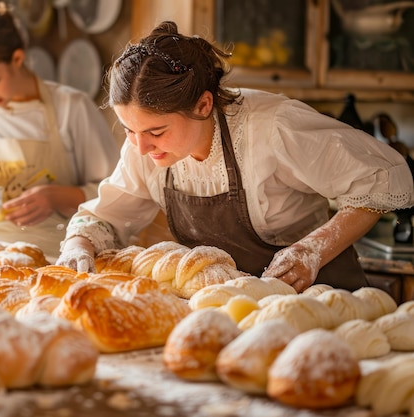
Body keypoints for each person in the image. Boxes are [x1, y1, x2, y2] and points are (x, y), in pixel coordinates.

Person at [56, 21, 414, 293]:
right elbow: (106, 216)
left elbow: (381, 178)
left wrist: (312, 251)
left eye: (156, 132)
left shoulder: (273, 127)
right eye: (129, 130)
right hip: (234, 311)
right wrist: (78, 244)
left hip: (320, 302)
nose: (141, 147)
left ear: (203, 105)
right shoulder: (144, 146)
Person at [0, 3, 119, 260]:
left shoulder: (72, 107)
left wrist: (58, 197)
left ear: (17, 59)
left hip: (54, 258)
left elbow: (114, 197)